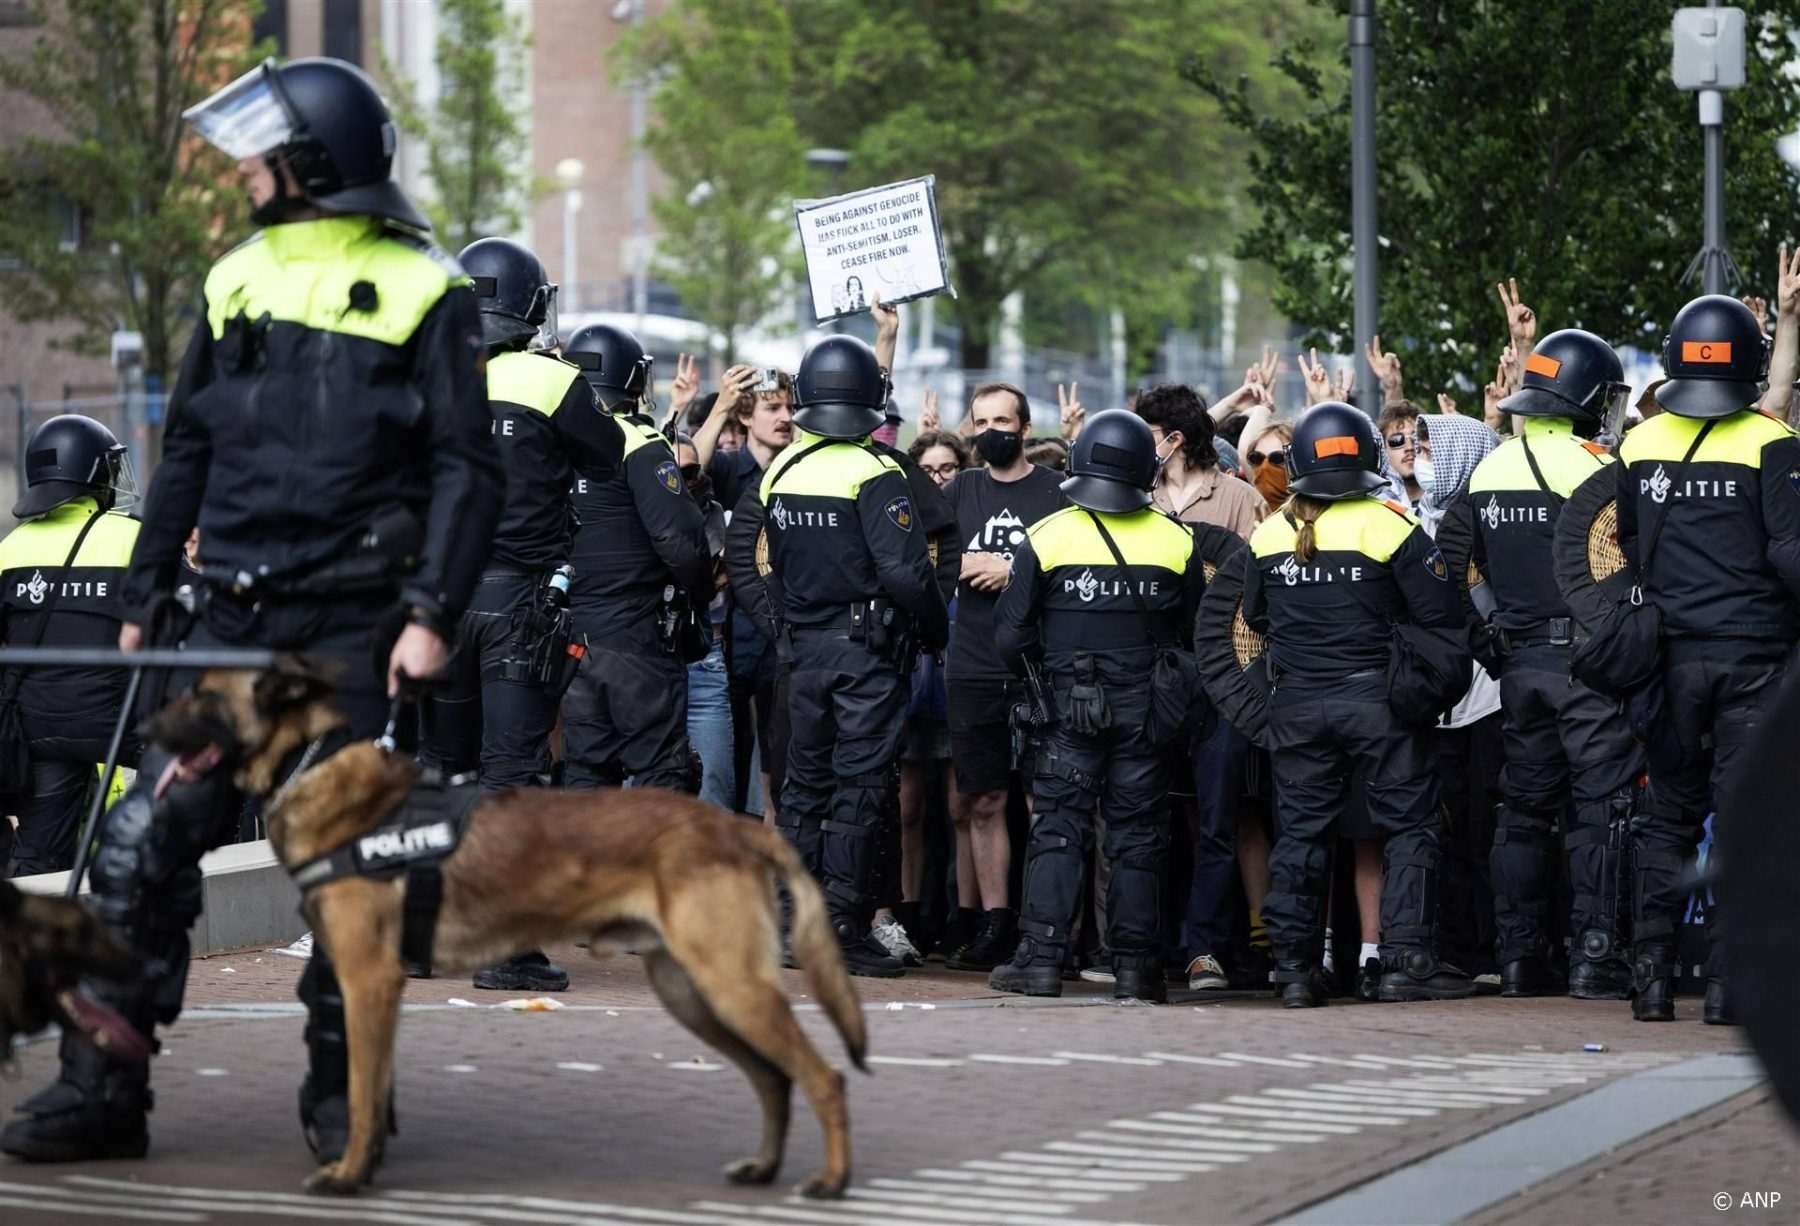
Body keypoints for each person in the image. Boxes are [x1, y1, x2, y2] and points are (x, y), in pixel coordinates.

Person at [1, 57, 502, 1165]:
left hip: (354, 631)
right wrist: (140, 595)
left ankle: (343, 1100)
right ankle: (102, 1091)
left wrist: (430, 611)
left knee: (345, 867)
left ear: (311, 162)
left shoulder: (429, 288)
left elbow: (468, 468)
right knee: (137, 848)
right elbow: (189, 446)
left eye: (259, 155)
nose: (240, 172)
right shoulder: (235, 277)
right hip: (225, 623)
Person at [413, 238, 617, 992]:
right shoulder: (548, 380)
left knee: (440, 769)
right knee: (512, 774)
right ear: (529, 304)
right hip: (514, 600)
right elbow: (606, 455)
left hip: (438, 599)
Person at [1242, 401, 1471, 1008]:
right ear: (1367, 457)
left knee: (1299, 834)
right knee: (1409, 827)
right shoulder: (1391, 524)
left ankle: (1294, 971)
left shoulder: (1270, 532)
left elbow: (1255, 617)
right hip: (1379, 703)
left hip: (1295, 703)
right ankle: (1404, 962)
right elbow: (1440, 613)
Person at [1613, 294, 1800, 1024]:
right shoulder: (1772, 440)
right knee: (1743, 819)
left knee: (1667, 818)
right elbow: (1788, 553)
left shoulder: (1640, 443)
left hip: (1667, 660)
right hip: (1752, 659)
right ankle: (1727, 988)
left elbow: (1625, 543)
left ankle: (1652, 983)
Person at [1440, 329, 1643, 1000]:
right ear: (1587, 396)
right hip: (1588, 666)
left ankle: (1520, 956)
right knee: (1599, 808)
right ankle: (1594, 955)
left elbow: (1456, 560)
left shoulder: (1487, 469)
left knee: (1521, 811)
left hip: (1519, 667)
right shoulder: (1598, 467)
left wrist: (1491, 627)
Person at [988, 409, 1207, 1003]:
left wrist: (1047, 679)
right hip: (1146, 716)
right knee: (1138, 836)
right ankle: (1137, 968)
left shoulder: (1048, 535)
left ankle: (1040, 960)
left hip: (1066, 711)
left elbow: (1009, 634)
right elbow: (1193, 634)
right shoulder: (1177, 539)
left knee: (1058, 829)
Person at [759, 334, 949, 977]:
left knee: (804, 788)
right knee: (861, 789)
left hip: (805, 651)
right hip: (865, 654)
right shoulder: (877, 472)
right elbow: (905, 573)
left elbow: (772, 568)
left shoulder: (780, 469)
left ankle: (792, 921)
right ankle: (838, 924)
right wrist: (935, 628)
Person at [1134, 384, 1266, 992]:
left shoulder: (1238, 497)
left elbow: (1256, 595)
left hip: (1222, 685)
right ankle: (1147, 946)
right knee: (1147, 817)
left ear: (1173, 439)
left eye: (1147, 431)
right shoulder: (1135, 498)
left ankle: (1204, 950)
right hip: (1151, 683)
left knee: (1217, 821)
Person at [939, 383, 1068, 971]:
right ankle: (994, 923)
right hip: (971, 666)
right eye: (981, 420)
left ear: (1024, 426)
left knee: (1045, 799)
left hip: (1037, 669)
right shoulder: (960, 488)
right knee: (984, 800)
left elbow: (1069, 568)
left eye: (1002, 419)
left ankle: (1048, 924)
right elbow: (927, 556)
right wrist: (968, 563)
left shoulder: (1055, 493)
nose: (992, 428)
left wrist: (1012, 566)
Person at [560, 322, 712, 794]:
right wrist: (701, 596)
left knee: (586, 774)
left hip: (569, 639)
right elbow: (680, 543)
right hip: (635, 641)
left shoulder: (552, 440)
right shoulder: (639, 443)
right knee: (662, 777)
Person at [0, 416, 140, 876]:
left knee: (38, 856)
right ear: (93, 472)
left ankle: (21, 942)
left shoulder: (10, 549)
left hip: (40, 730)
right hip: (123, 722)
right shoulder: (130, 537)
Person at [891, 431, 969, 956]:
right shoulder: (895, 524)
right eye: (929, 470)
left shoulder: (968, 525)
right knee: (909, 808)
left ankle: (961, 914)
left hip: (959, 682)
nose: (939, 479)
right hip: (909, 681)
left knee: (963, 809)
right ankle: (909, 911)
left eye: (948, 469)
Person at [673, 432, 735, 812]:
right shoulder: (630, 512)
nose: (680, 481)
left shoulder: (720, 518)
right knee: (641, 796)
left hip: (705, 656)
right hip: (644, 658)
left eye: (690, 470)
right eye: (671, 471)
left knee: (713, 795)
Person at [1379, 401, 1424, 507]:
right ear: (1383, 451)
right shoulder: (1376, 508)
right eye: (1397, 440)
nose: (1410, 447)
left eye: (1416, 438)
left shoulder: (1448, 506)